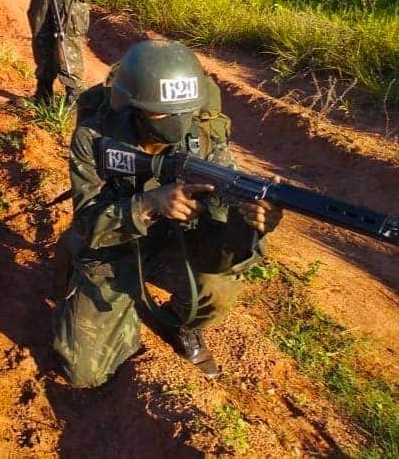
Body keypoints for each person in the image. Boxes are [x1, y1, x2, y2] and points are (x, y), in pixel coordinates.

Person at [52, 39, 283, 386]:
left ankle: (180, 324)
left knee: (218, 289)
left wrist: (252, 221)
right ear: (134, 107)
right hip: (113, 247)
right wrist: (149, 203)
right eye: (163, 113)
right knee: (83, 374)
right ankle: (77, 267)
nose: (177, 122)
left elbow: (224, 204)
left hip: (172, 242)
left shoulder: (204, 131)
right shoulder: (95, 136)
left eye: (184, 111)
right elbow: (87, 218)